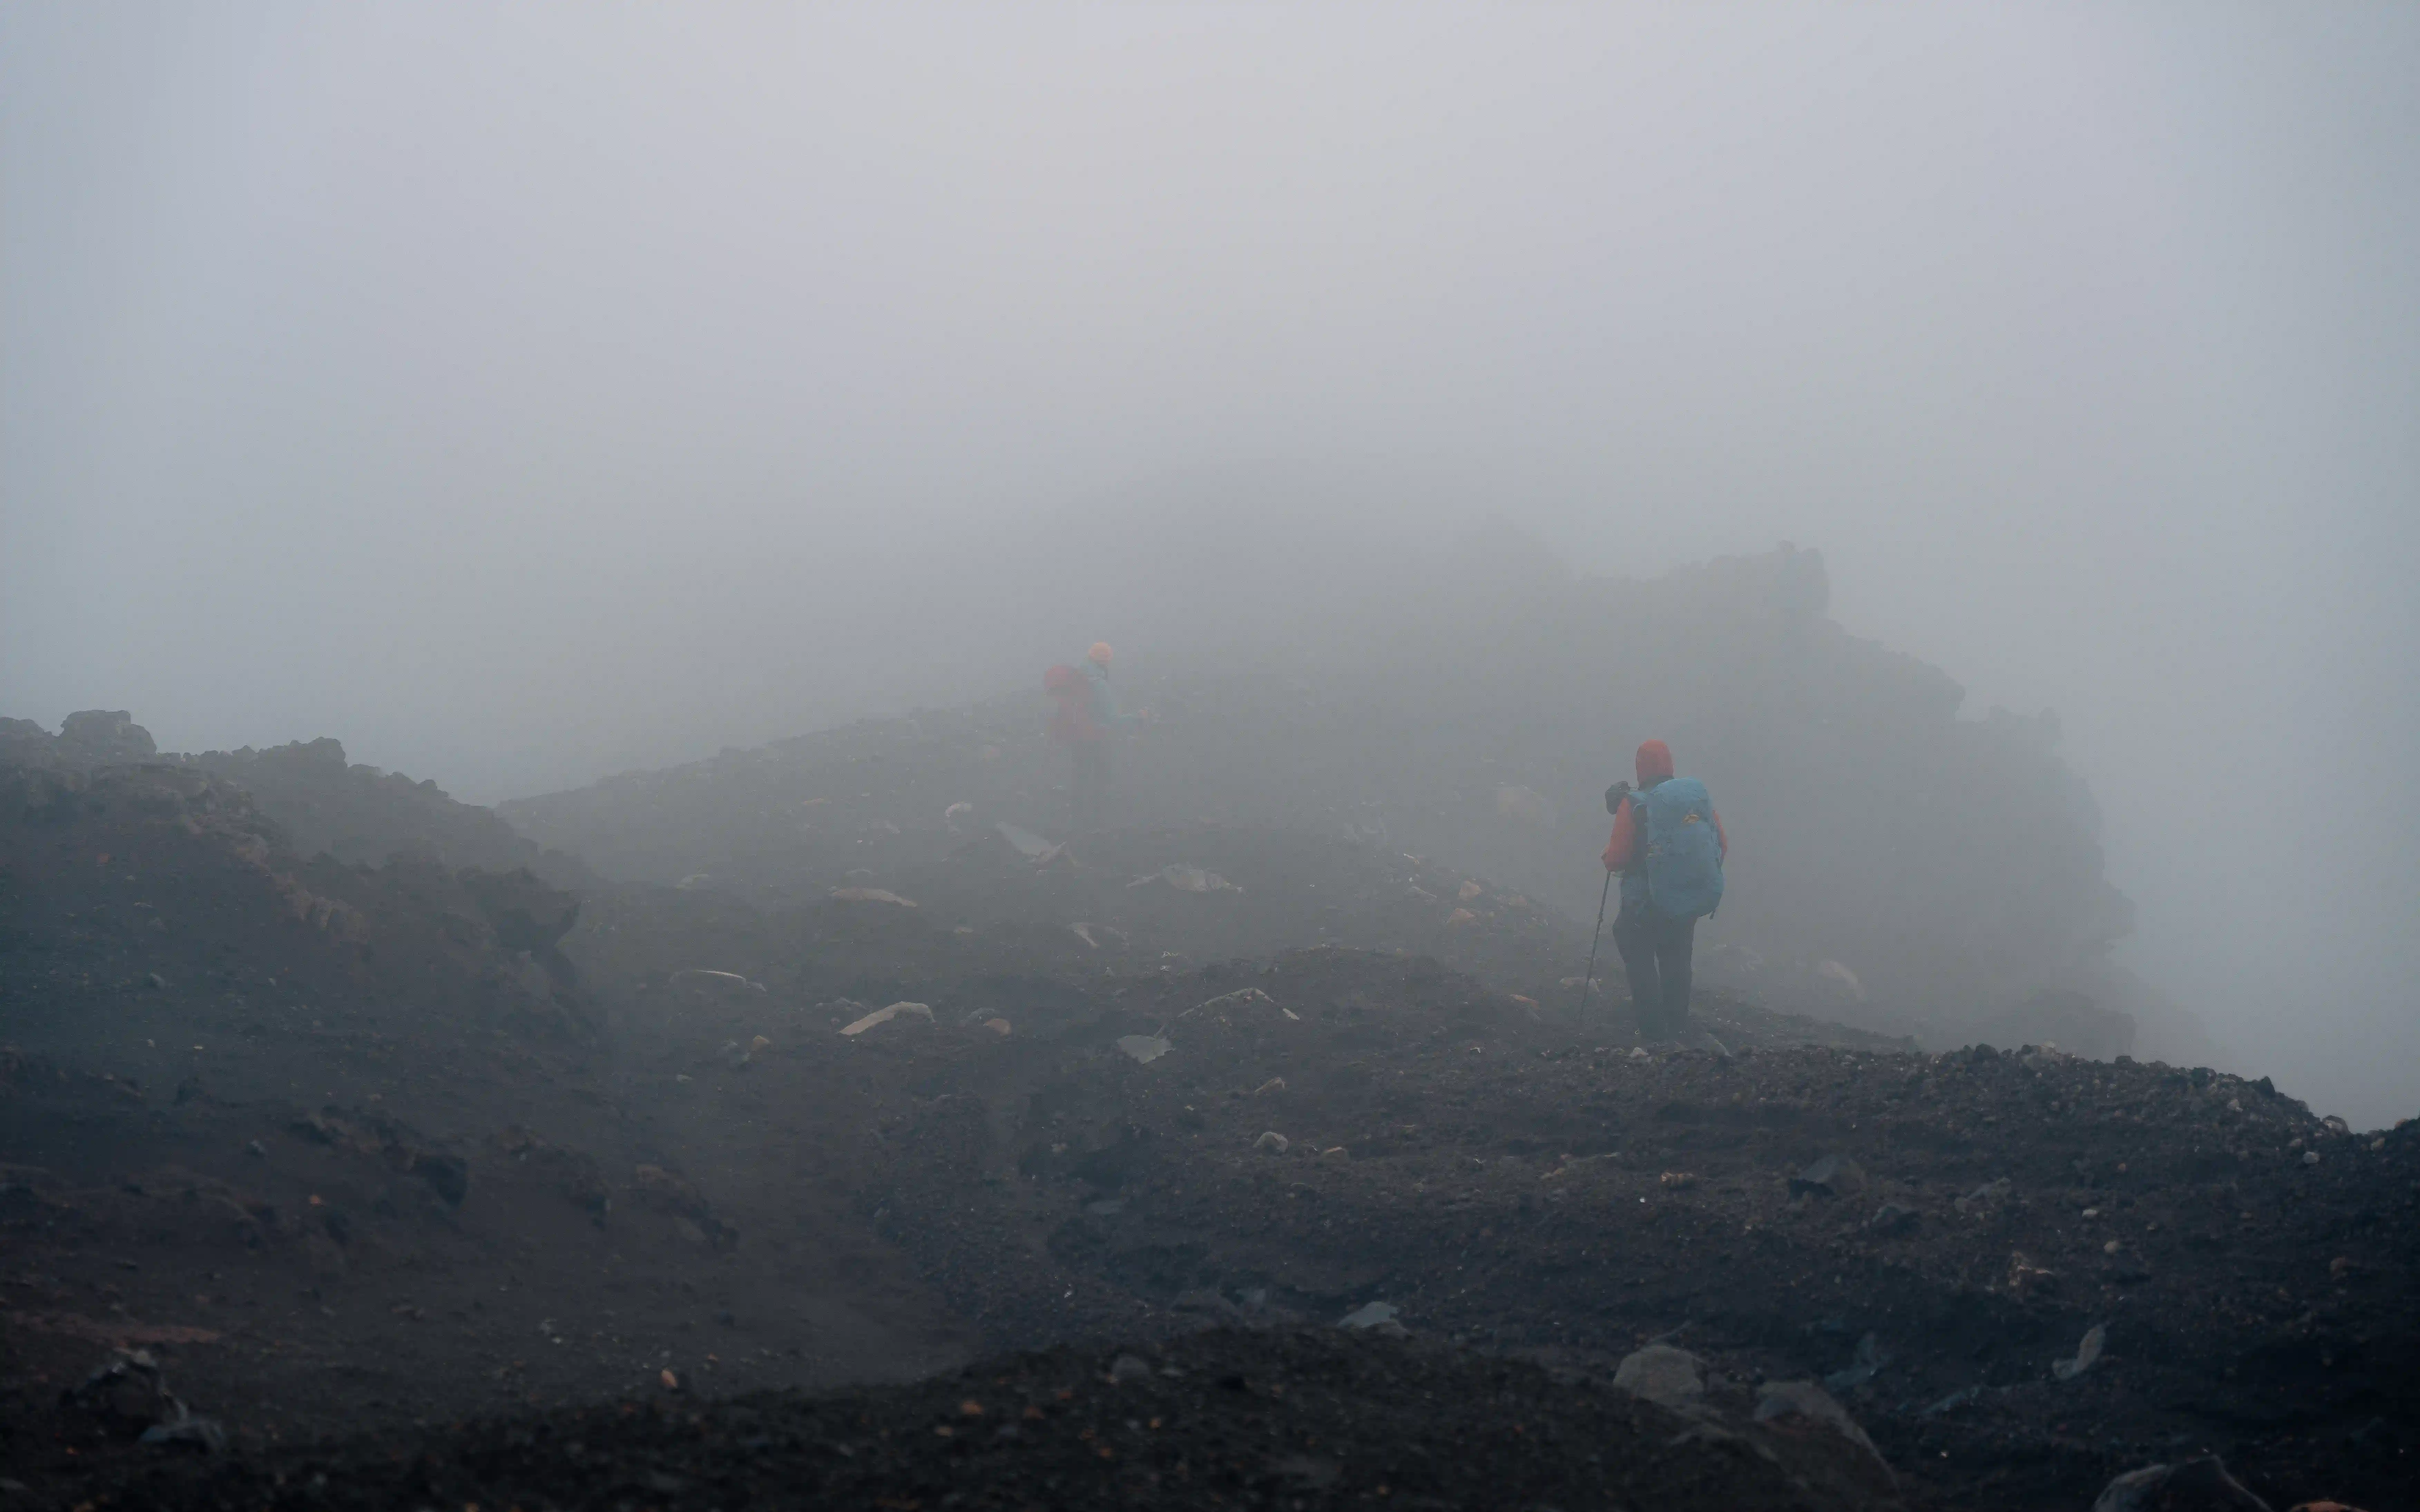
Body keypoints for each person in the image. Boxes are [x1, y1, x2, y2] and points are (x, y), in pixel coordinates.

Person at [1602, 739, 1727, 1041]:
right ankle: (1678, 1028)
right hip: (1683, 902)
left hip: (1643, 906)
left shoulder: (1633, 803)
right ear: (1669, 764)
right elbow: (1722, 846)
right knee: (1677, 960)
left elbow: (1617, 858)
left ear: (1640, 767)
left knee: (1639, 956)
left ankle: (1653, 1034)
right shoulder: (1694, 800)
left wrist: (1609, 858)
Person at [1044, 642, 1136, 833]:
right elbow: (1113, 719)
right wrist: (1139, 719)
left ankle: (1077, 817)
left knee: (1080, 775)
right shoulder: (1098, 684)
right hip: (1096, 736)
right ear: (1106, 662)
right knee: (1102, 777)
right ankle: (1099, 820)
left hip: (1076, 735)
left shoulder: (1076, 678)